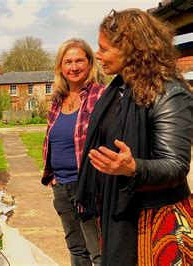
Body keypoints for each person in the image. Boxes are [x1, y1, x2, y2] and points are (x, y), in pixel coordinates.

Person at [76, 8, 192, 265]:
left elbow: (176, 165)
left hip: (158, 220)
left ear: (131, 49)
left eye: (104, 49)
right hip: (120, 213)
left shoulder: (169, 93)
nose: (98, 55)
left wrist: (132, 167)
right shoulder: (117, 91)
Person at [41, 38, 105, 265]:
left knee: (98, 252)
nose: (74, 67)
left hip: (88, 186)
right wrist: (53, 177)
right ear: (60, 67)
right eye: (68, 61)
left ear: (90, 63)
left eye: (79, 60)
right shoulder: (58, 99)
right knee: (76, 250)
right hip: (61, 186)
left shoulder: (100, 96)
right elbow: (52, 139)